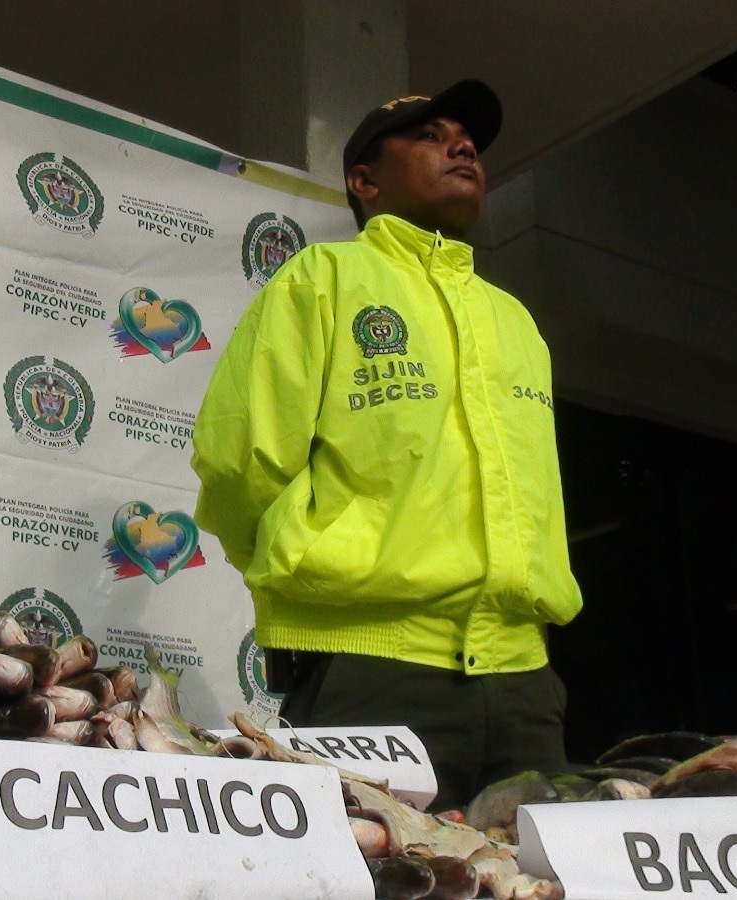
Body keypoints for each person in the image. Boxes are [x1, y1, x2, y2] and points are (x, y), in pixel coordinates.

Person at [191, 80, 583, 811]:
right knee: (383, 879)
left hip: (525, 682)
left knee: (529, 885)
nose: (462, 146)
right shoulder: (322, 278)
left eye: (467, 139)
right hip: (370, 669)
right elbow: (238, 461)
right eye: (431, 136)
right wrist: (307, 566)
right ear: (364, 180)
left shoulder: (516, 322)